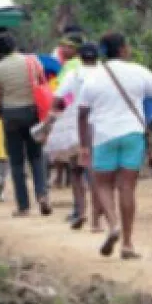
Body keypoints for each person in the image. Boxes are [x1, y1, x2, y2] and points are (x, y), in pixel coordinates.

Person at [77, 32, 152, 259]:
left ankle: (113, 225)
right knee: (127, 187)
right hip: (132, 133)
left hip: (104, 135)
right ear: (122, 50)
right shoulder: (138, 71)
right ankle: (128, 243)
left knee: (102, 185)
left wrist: (83, 146)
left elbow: (82, 113)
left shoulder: (92, 77)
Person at [0, 32, 52, 216]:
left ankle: (23, 206)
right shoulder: (32, 61)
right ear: (15, 45)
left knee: (16, 162)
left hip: (10, 115)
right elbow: (41, 84)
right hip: (32, 112)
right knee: (36, 157)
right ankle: (42, 195)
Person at [47, 41, 99, 230]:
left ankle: (80, 211)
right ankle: (97, 217)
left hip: (77, 126)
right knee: (94, 171)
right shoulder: (103, 74)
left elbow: (58, 98)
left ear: (80, 57)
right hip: (100, 125)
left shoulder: (73, 73)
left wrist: (51, 119)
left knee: (76, 170)